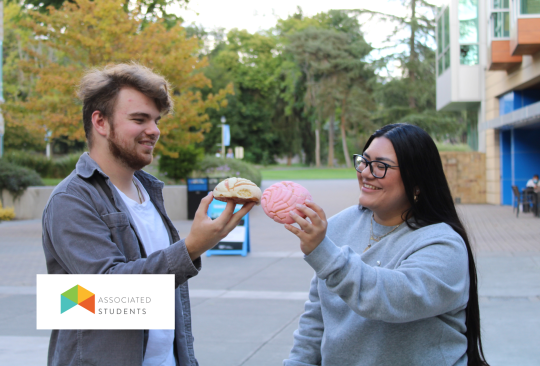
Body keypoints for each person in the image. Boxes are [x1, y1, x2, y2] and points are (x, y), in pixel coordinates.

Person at [41, 63, 254, 366]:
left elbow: (163, 296)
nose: (154, 130)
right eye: (139, 119)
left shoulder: (148, 190)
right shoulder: (72, 198)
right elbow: (106, 294)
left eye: (155, 120)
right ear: (100, 122)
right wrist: (191, 247)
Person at [283, 124, 489, 366]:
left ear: (417, 181)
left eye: (381, 166)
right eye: (364, 161)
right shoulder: (338, 225)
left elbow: (392, 299)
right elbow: (318, 314)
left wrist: (325, 255)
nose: (366, 173)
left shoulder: (443, 244)